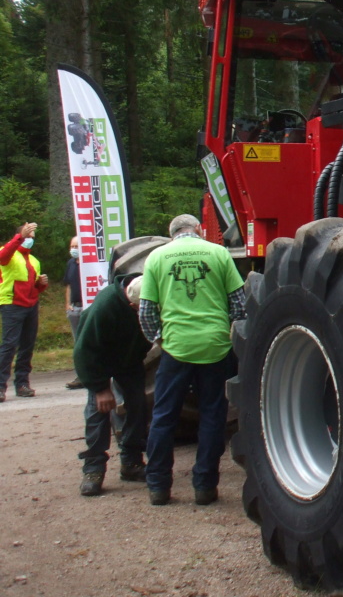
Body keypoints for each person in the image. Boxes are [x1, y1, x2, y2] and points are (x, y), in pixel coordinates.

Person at [139, 214, 245, 506]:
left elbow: (146, 311)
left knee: (163, 417)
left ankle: (159, 488)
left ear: (171, 233)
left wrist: (162, 341)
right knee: (212, 417)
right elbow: (239, 304)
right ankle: (204, 488)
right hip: (215, 347)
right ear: (199, 230)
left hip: (176, 348)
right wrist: (226, 334)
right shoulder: (219, 253)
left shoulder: (157, 257)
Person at [73, 274, 151, 496]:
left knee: (138, 407)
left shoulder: (149, 296)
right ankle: (93, 469)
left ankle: (131, 463)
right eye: (139, 310)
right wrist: (100, 388)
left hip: (130, 359)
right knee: (98, 411)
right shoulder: (105, 308)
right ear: (130, 303)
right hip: (99, 360)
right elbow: (83, 352)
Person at [0, 222, 48, 401]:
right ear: (18, 236)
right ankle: (0, 386)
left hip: (31, 305)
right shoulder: (8, 252)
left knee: (27, 346)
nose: (29, 240)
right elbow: (2, 258)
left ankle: (22, 383)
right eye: (27, 236)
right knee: (9, 345)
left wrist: (41, 285)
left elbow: (33, 288)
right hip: (11, 304)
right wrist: (20, 236)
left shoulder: (34, 261)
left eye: (32, 238)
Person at [64, 235, 85, 389]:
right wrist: (67, 304)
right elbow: (68, 285)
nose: (74, 249)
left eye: (77, 246)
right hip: (74, 308)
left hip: (87, 308)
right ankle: (80, 376)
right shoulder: (70, 263)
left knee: (88, 342)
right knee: (77, 344)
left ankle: (92, 374)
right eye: (72, 246)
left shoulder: (88, 265)